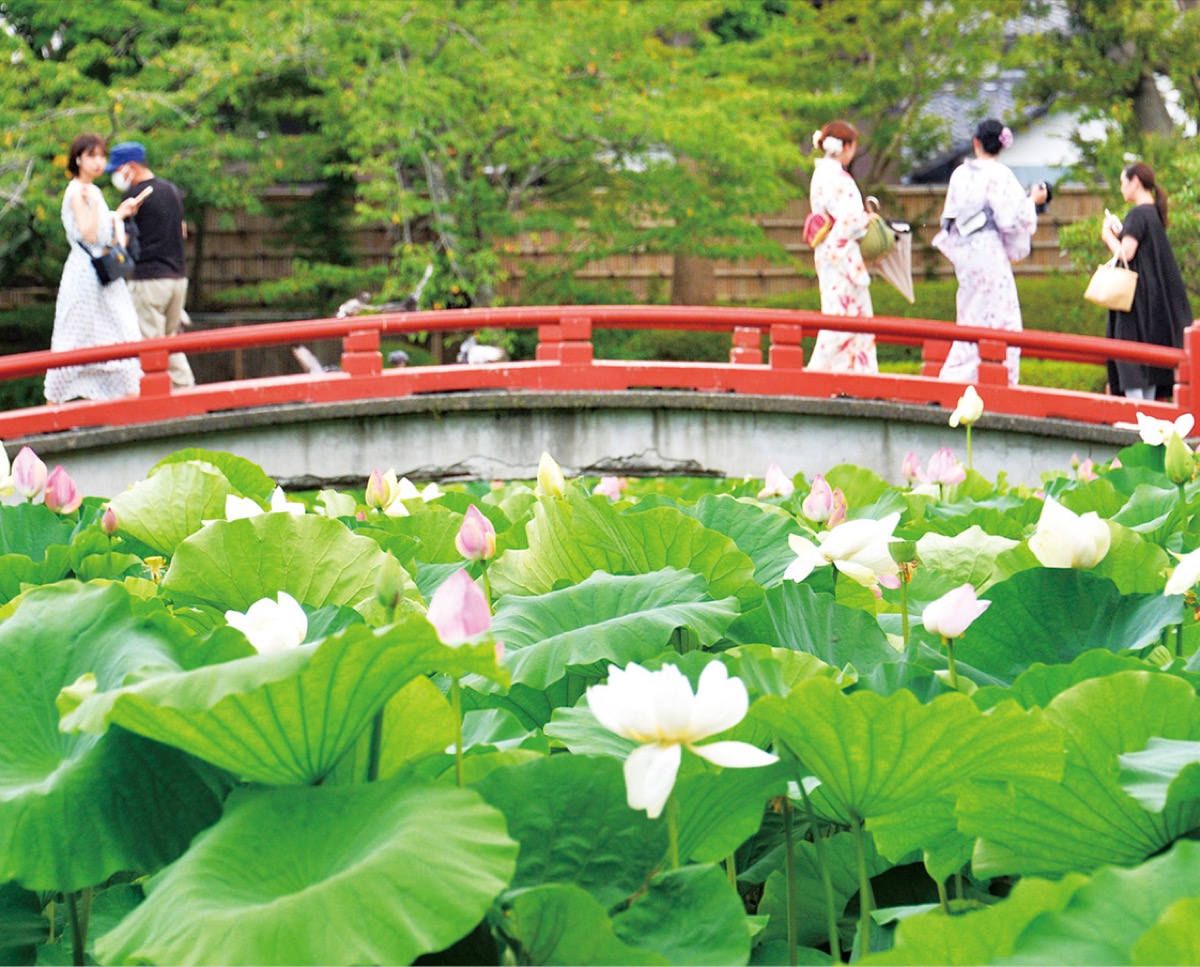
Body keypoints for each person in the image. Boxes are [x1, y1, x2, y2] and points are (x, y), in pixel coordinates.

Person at [933, 119, 1047, 386]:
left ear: (976, 142)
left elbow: (948, 218)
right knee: (1002, 315)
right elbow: (1011, 220)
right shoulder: (1000, 175)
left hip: (964, 250)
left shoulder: (960, 174)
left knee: (970, 313)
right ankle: (1001, 378)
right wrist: (1032, 201)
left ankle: (957, 376)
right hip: (988, 249)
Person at [45, 134, 147, 403]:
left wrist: (120, 214)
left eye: (102, 156)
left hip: (103, 274)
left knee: (121, 329)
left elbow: (101, 230)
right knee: (74, 336)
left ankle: (127, 398)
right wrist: (88, 202)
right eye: (92, 156)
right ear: (78, 159)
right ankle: (53, 405)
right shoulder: (78, 191)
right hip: (85, 273)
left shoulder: (92, 191)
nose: (99, 162)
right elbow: (89, 235)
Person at [1100, 161, 1194, 400]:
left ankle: (1134, 415)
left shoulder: (1138, 214)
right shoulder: (1153, 213)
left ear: (1135, 182)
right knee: (1150, 365)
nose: (1122, 188)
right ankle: (1147, 413)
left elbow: (1126, 253)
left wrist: (1108, 236)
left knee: (1130, 356)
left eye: (1123, 182)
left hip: (1135, 302)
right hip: (1152, 301)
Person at [106, 141, 195, 388]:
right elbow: (183, 232)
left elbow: (121, 241)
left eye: (118, 170)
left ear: (130, 167)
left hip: (148, 281)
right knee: (170, 342)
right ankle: (186, 392)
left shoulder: (133, 197)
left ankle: (159, 406)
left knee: (150, 347)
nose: (115, 176)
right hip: (177, 278)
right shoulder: (171, 190)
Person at [807, 120, 877, 373]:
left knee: (837, 313)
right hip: (843, 254)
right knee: (846, 319)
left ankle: (844, 376)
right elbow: (851, 220)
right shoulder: (839, 178)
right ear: (846, 146)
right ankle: (820, 375)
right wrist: (867, 220)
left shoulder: (820, 174)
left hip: (827, 251)